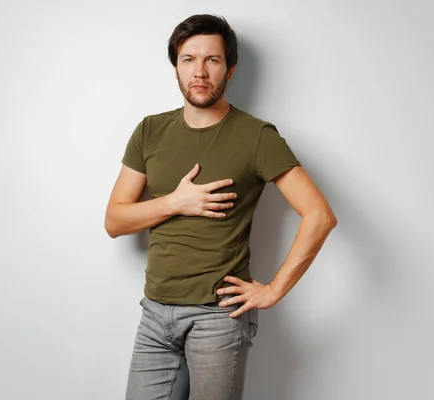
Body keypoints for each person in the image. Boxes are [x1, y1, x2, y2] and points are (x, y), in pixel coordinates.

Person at [104, 14, 337, 400]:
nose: (199, 71)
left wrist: (274, 290)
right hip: (154, 312)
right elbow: (115, 220)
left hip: (218, 316)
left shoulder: (257, 136)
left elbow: (320, 215)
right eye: (188, 59)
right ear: (175, 66)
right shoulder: (150, 130)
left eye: (212, 60)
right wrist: (177, 202)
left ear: (230, 70)